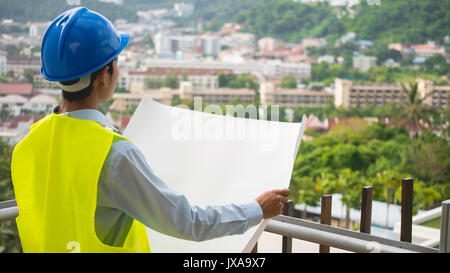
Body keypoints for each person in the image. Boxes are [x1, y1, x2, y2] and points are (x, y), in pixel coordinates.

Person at [10, 7, 290, 253]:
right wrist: (257, 209)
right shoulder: (113, 155)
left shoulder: (28, 144)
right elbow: (186, 222)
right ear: (106, 73)